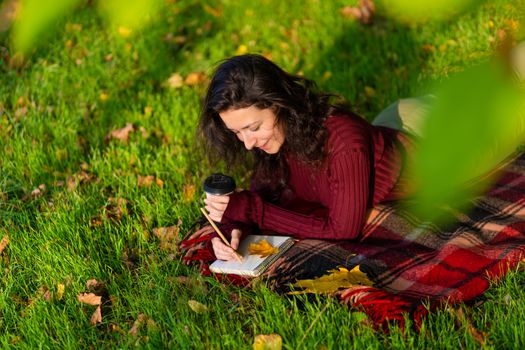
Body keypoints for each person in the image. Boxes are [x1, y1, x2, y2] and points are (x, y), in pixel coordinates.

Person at [199, 54, 421, 261]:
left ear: (278, 104)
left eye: (254, 127)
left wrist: (251, 211)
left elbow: (343, 230)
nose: (247, 144)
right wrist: (236, 229)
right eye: (237, 132)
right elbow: (263, 195)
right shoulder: (278, 135)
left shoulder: (345, 142)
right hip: (387, 125)